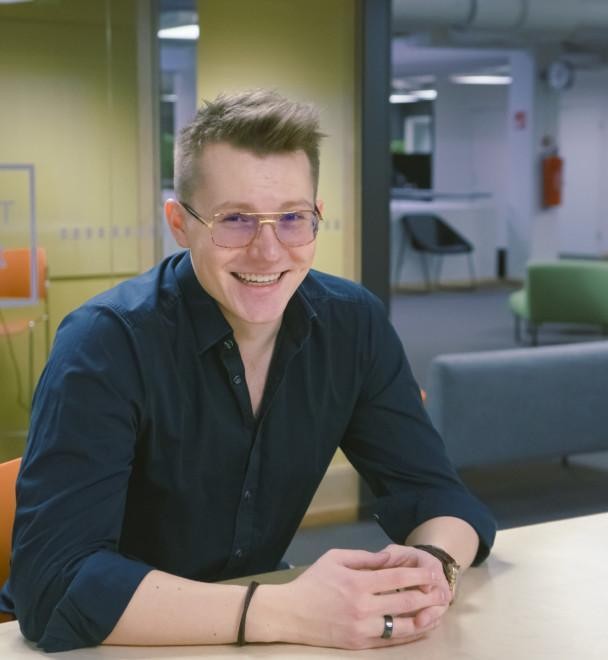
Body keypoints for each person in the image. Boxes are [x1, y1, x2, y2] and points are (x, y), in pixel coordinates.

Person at [0, 89, 495, 652]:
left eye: (292, 218)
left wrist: (433, 566)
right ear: (179, 224)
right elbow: (57, 587)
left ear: (317, 218)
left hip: (254, 631)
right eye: (234, 219)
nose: (268, 251)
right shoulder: (106, 343)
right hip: (108, 643)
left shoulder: (351, 324)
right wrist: (288, 611)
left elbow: (442, 499)